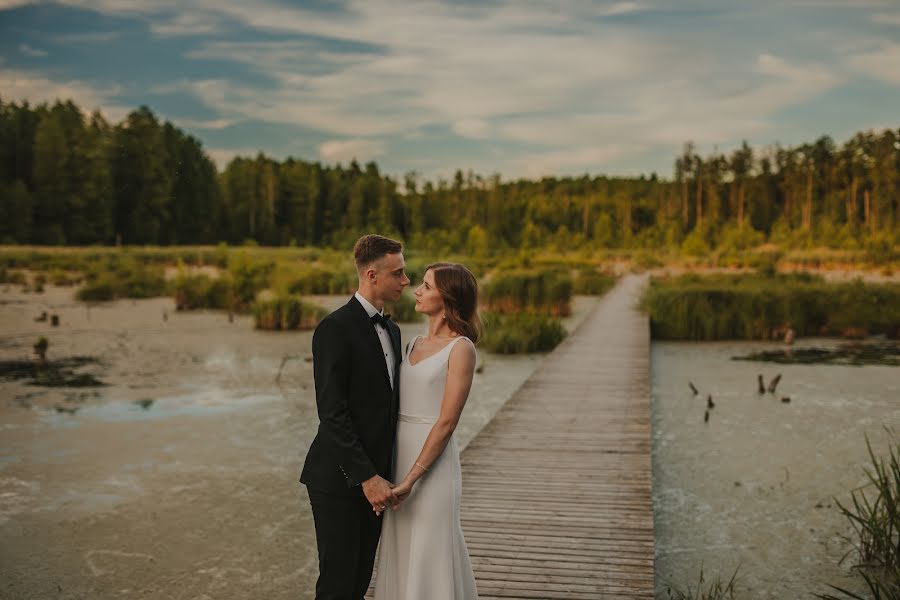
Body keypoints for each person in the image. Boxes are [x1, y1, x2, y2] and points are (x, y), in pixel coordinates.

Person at [300, 234, 410, 599]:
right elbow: (332, 413)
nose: (405, 281)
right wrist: (366, 477)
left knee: (360, 580)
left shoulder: (392, 330)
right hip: (338, 478)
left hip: (378, 481)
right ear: (372, 275)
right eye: (399, 273)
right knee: (336, 584)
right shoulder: (334, 329)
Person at [374, 262, 481, 599]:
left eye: (427, 286)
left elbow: (447, 422)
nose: (416, 290)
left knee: (430, 549)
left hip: (433, 468)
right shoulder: (412, 343)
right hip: (398, 455)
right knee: (401, 547)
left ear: (447, 297)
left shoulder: (461, 349)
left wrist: (411, 480)